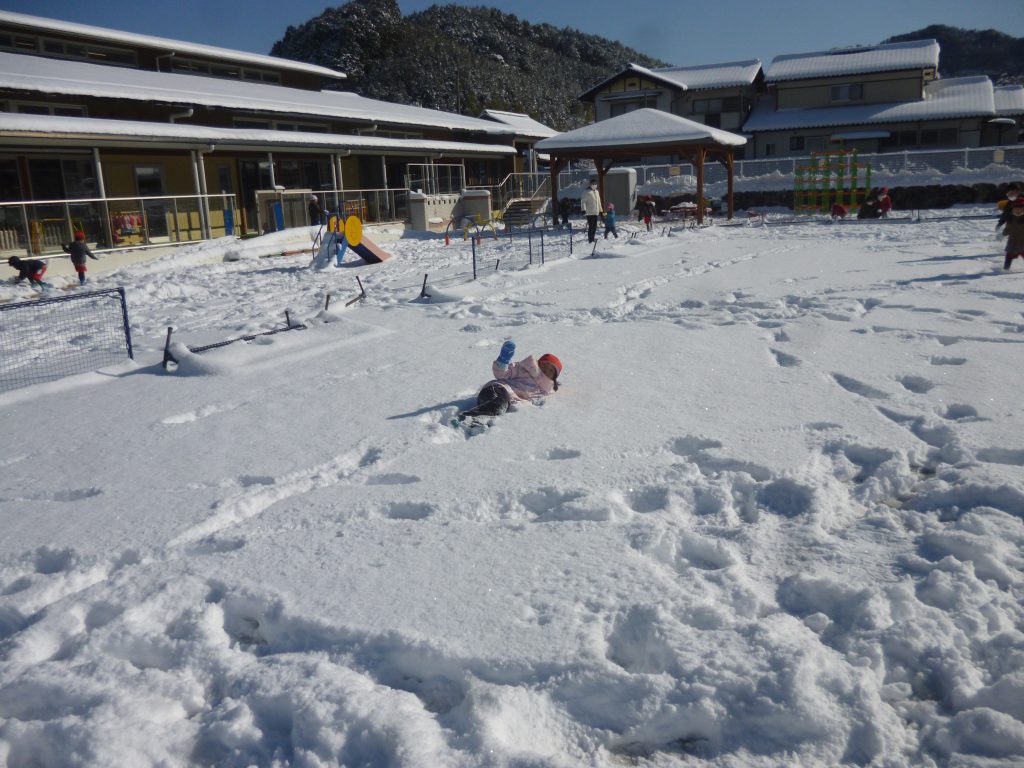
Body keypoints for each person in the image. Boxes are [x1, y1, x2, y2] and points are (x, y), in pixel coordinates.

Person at [456, 340, 562, 422]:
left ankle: (479, 421)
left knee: (499, 408)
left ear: (554, 377)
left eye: (551, 370)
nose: (547, 369)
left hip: (507, 400)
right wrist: (503, 362)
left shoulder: (545, 388)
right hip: (498, 389)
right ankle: (468, 417)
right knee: (498, 403)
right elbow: (502, 374)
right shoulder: (523, 369)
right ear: (538, 363)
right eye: (545, 365)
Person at [998, 200, 1024, 271]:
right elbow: (1008, 229)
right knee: (1009, 256)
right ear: (1013, 209)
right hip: (1012, 241)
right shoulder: (1011, 219)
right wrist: (1002, 235)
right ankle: (1006, 269)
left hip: (1023, 242)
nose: (1018, 211)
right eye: (1016, 209)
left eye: (1021, 209)